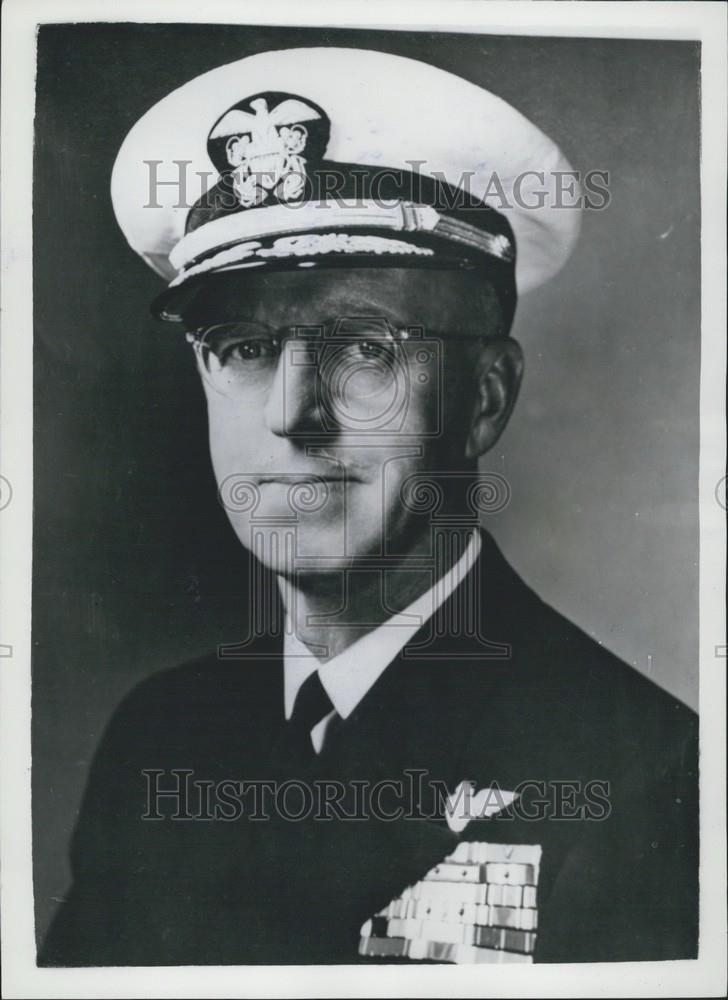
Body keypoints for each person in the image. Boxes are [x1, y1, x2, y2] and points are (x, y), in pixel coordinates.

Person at [39, 47, 698, 966]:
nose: (292, 414)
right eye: (241, 347)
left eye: (366, 348)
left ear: (484, 400)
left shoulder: (654, 778)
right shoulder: (160, 736)